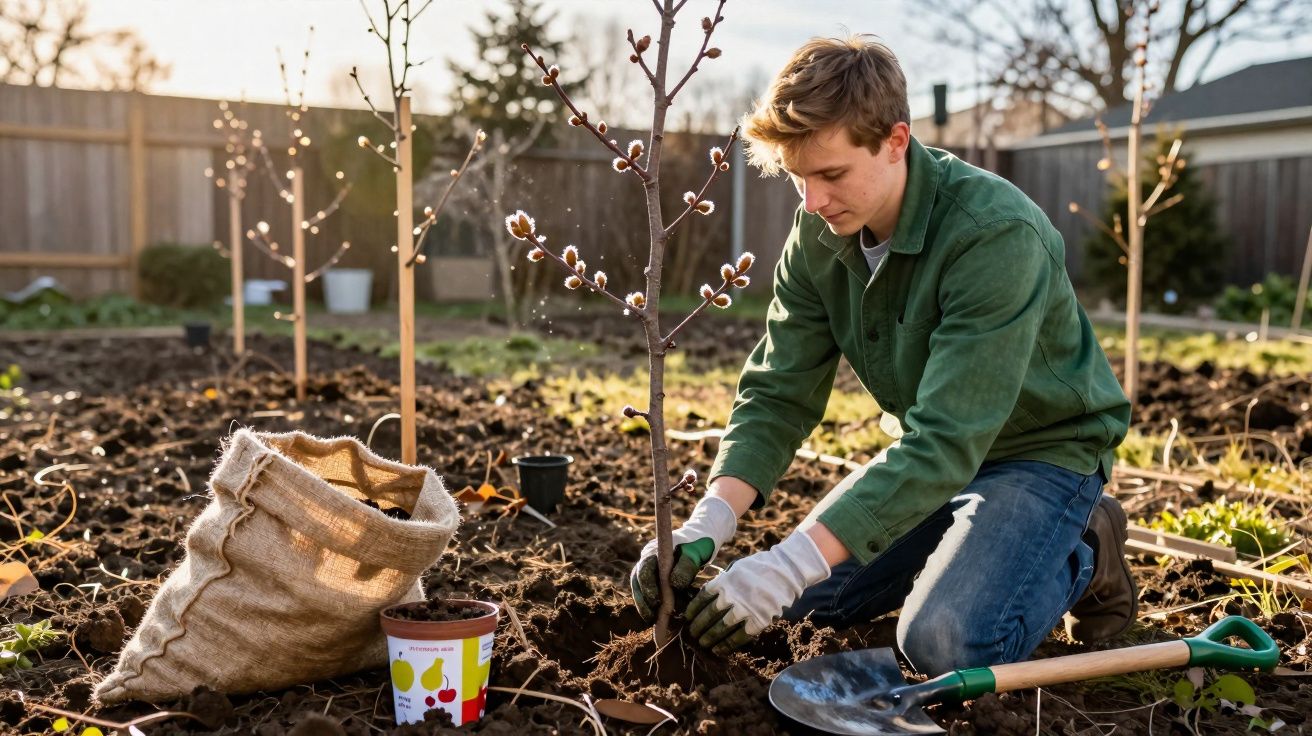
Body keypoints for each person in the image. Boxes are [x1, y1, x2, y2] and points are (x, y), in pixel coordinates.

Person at [629, 35, 1136, 675]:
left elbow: (949, 437)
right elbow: (779, 392)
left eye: (832, 174)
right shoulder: (818, 232)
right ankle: (969, 548)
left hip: (1040, 455)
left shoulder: (994, 235)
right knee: (798, 605)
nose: (811, 201)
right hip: (929, 464)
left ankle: (1085, 546)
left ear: (895, 141)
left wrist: (785, 561)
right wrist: (708, 522)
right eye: (797, 178)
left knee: (945, 642)